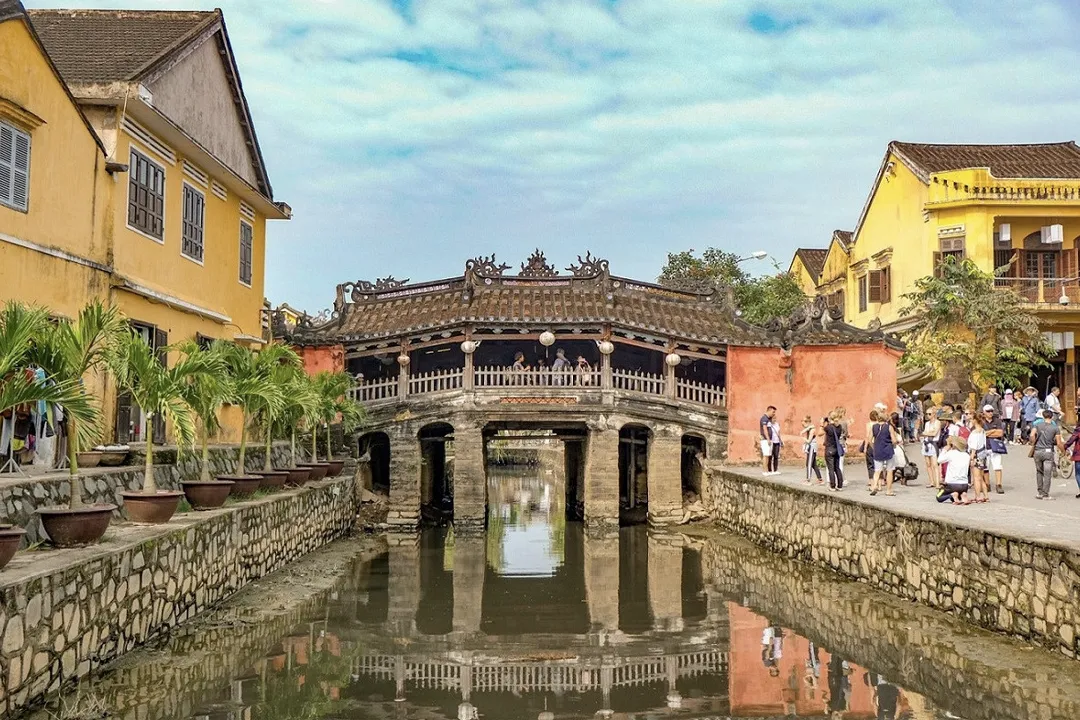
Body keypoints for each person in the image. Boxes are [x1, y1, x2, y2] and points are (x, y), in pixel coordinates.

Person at [1031, 409, 1064, 500]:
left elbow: (1032, 435)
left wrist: (1034, 442)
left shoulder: (1037, 425)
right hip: (1048, 452)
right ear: (1052, 417)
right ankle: (1046, 494)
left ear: (1043, 416)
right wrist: (1063, 451)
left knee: (1039, 472)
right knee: (1047, 473)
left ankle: (1040, 492)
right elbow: (1059, 442)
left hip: (1037, 451)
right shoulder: (1055, 428)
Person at [869, 411, 898, 496]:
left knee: (877, 471)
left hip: (878, 450)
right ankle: (888, 490)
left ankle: (874, 486)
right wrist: (895, 444)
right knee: (889, 471)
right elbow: (894, 440)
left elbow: (869, 440)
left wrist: (874, 447)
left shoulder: (873, 427)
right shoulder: (889, 427)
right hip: (888, 450)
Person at [981, 404, 1007, 495]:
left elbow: (1000, 433)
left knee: (998, 466)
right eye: (988, 411)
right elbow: (981, 434)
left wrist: (988, 433)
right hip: (985, 446)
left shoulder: (997, 421)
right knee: (985, 467)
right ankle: (987, 484)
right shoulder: (981, 422)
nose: (990, 413)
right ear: (984, 412)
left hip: (996, 447)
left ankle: (998, 484)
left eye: (991, 411)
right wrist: (993, 431)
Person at [937, 435, 971, 504]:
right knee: (955, 497)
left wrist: (945, 450)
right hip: (964, 485)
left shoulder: (951, 453)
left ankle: (952, 494)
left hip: (952, 484)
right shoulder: (967, 455)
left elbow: (939, 460)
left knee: (939, 497)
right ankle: (963, 495)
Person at [967, 414, 988, 503]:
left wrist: (971, 459)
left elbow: (973, 448)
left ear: (975, 420)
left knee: (976, 478)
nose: (970, 420)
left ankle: (978, 496)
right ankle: (986, 496)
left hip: (976, 456)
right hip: (983, 455)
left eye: (971, 419)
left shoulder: (975, 433)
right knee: (981, 477)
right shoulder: (983, 431)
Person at [920, 408, 941, 489]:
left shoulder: (937, 422)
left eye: (930, 414)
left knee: (935, 465)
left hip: (933, 444)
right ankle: (931, 481)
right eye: (927, 414)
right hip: (926, 444)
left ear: (934, 414)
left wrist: (927, 433)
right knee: (928, 464)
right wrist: (929, 433)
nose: (928, 416)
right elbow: (924, 433)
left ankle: (937, 483)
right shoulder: (927, 424)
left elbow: (935, 433)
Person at [823, 414, 845, 491]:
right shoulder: (839, 427)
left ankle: (832, 486)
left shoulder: (829, 427)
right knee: (837, 468)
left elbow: (820, 432)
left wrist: (822, 423)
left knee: (831, 469)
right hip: (836, 449)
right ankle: (840, 485)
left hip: (829, 448)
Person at [802, 415, 823, 485]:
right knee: (814, 464)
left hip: (812, 447)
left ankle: (808, 480)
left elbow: (809, 441)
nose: (803, 423)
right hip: (811, 447)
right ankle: (820, 479)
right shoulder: (810, 428)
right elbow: (807, 428)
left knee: (809, 463)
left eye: (804, 421)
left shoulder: (812, 429)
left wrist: (803, 438)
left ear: (808, 422)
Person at [760, 406, 781, 476]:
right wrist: (768, 438)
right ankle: (764, 471)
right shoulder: (764, 418)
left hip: (769, 440)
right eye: (773, 412)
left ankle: (767, 471)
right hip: (765, 439)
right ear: (769, 410)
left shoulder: (768, 419)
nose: (773, 413)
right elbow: (765, 429)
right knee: (765, 455)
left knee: (768, 455)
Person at [1062, 423, 1080, 499]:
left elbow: (1071, 440)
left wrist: (1064, 447)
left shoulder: (1078, 430)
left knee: (1078, 474)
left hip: (1079, 455)